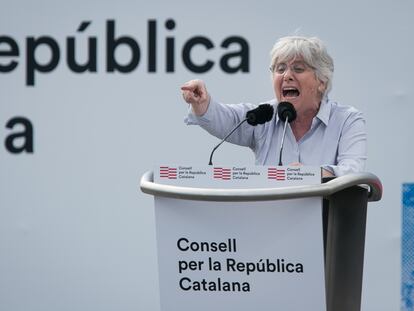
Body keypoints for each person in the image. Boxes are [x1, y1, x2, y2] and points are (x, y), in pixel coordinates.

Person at [181, 36, 366, 177]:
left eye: (298, 69)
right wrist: (202, 102)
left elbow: (352, 172)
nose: (287, 75)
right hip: (267, 222)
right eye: (280, 68)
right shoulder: (264, 115)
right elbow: (225, 118)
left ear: (322, 82)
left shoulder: (347, 120)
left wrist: (309, 176)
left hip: (326, 223)